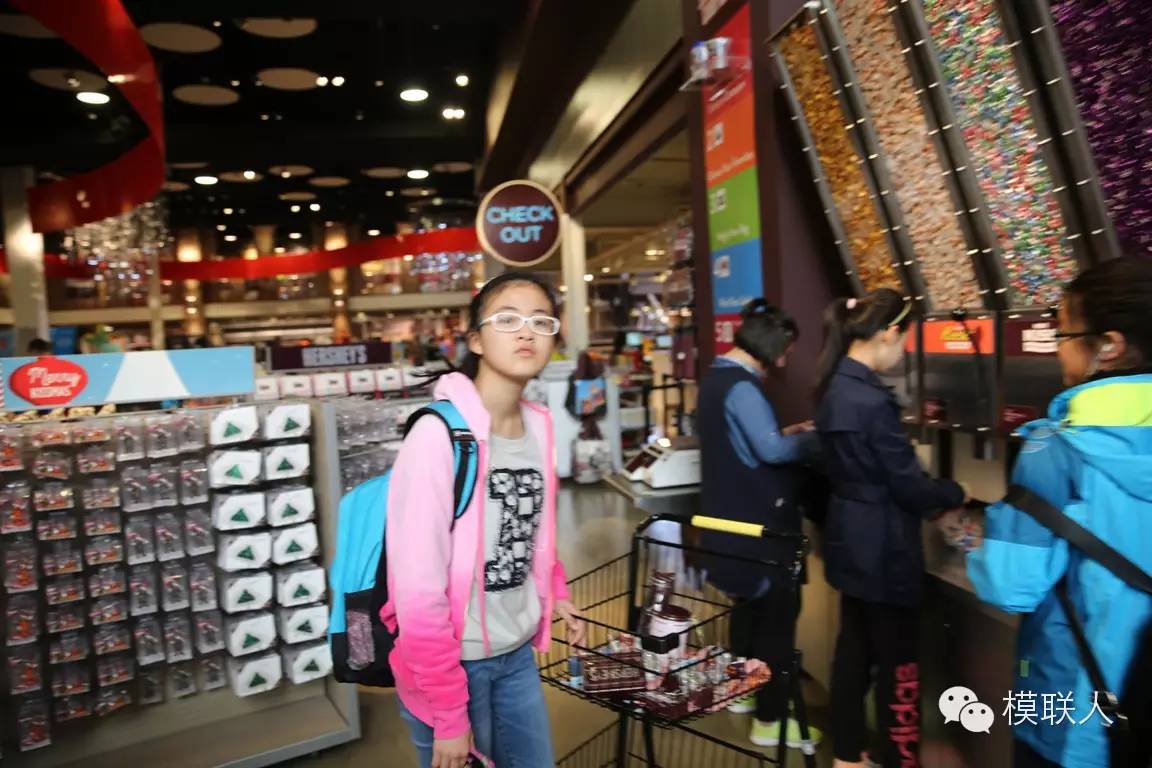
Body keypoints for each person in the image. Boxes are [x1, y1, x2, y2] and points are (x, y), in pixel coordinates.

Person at [382, 271, 586, 768]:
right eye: (508, 319)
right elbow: (416, 591)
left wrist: (555, 591)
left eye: (541, 321)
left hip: (517, 653)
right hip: (454, 664)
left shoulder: (539, 425)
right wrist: (449, 715)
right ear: (475, 340)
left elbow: (531, 531)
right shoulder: (437, 436)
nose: (526, 332)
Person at [965, 258, 1152, 768]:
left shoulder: (1054, 449)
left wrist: (978, 541)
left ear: (1108, 345)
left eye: (1063, 333)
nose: (1057, 349)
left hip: (1076, 716)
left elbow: (1010, 584)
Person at [814, 289, 965, 768]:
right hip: (885, 546)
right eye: (905, 341)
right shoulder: (871, 400)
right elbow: (907, 486)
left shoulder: (834, 386)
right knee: (899, 664)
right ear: (889, 332)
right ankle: (901, 759)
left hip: (848, 538)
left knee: (854, 653)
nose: (902, 352)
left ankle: (847, 754)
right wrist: (954, 493)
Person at [697, 299, 823, 749]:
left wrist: (785, 433)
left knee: (747, 611)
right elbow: (770, 451)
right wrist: (815, 439)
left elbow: (745, 444)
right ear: (771, 344)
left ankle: (743, 693)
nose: (785, 361)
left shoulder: (714, 379)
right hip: (759, 526)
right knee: (776, 622)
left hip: (728, 524)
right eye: (786, 350)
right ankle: (770, 718)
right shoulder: (743, 386)